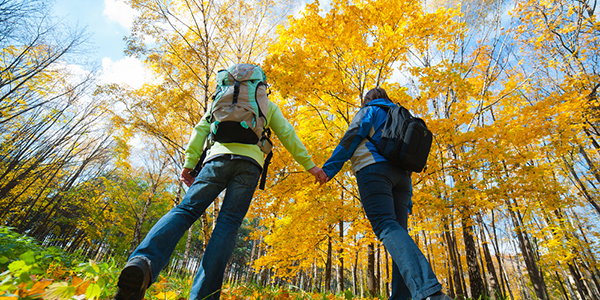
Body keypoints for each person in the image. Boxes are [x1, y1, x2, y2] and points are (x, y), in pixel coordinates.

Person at [113, 64, 328, 300]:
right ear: (260, 85)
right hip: (249, 166)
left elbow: (200, 129)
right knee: (228, 224)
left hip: (216, 160)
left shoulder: (220, 101)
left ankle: (143, 262)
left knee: (185, 210)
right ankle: (204, 295)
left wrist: (189, 162)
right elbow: (288, 134)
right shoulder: (266, 105)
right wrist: (311, 166)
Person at [321, 87, 452, 300]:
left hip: (373, 169)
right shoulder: (401, 114)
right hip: (402, 179)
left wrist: (329, 169)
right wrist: (408, 201)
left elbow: (352, 136)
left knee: (385, 225)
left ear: (368, 100)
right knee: (399, 233)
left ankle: (430, 292)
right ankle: (402, 297)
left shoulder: (369, 111)